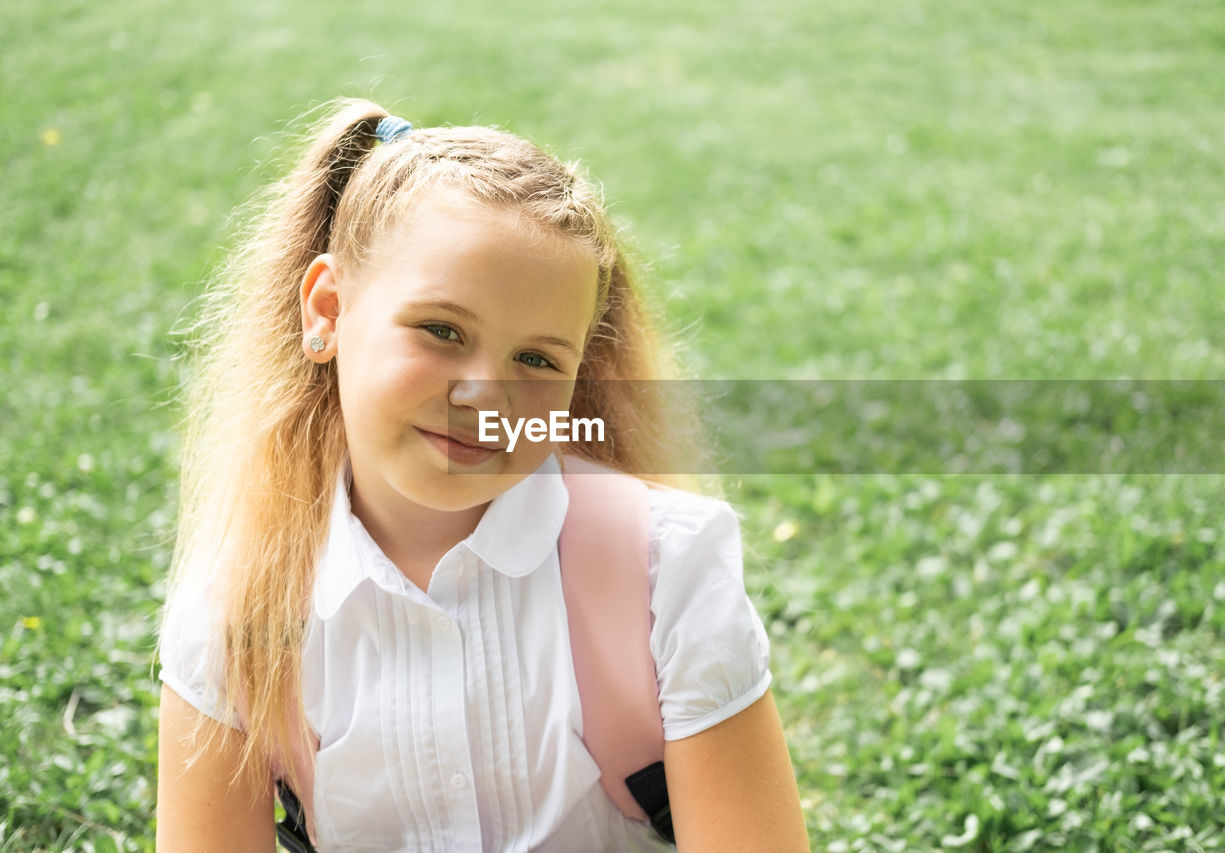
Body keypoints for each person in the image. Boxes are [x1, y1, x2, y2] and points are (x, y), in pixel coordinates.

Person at [155, 97, 809, 851]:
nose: (482, 395)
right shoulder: (236, 606)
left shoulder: (666, 567)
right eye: (442, 330)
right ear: (327, 310)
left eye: (535, 359)